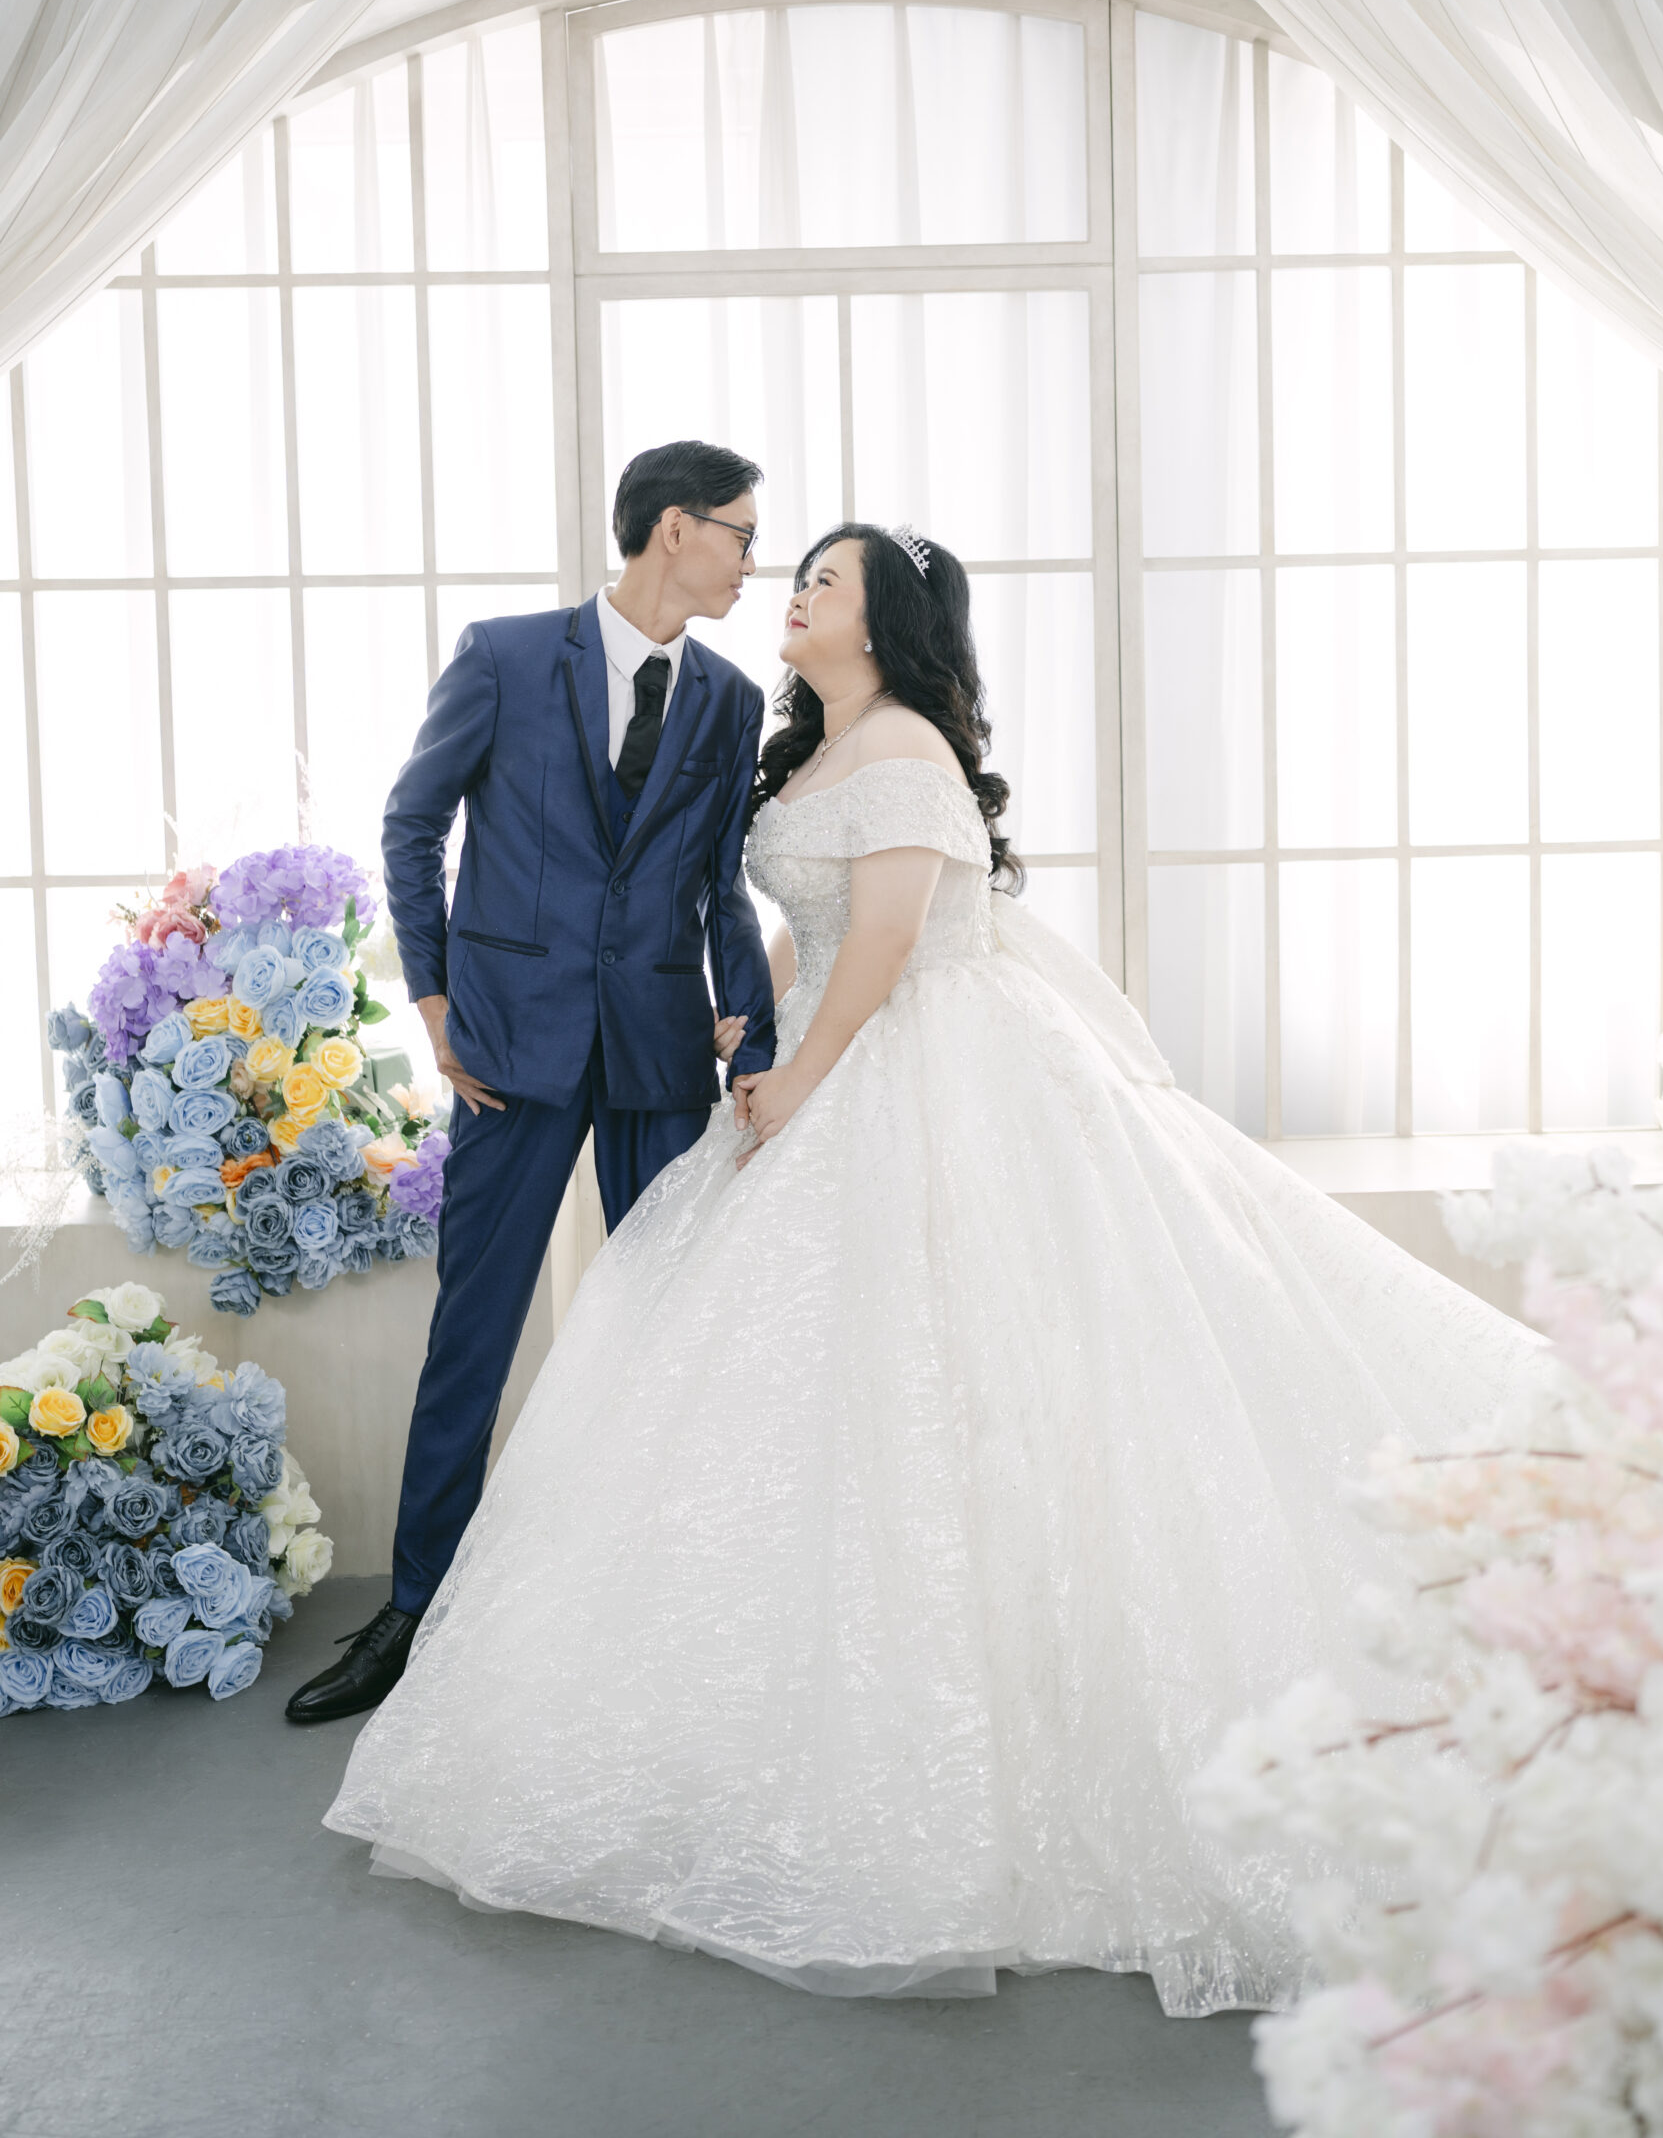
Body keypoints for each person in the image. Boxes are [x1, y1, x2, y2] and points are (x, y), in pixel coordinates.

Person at [324, 522, 1542, 2015]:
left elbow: (891, 938)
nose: (792, 594)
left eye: (821, 580)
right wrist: (748, 1020)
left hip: (930, 1070)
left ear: (880, 619)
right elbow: (816, 921)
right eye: (790, 574)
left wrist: (798, 1075)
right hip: (827, 1044)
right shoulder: (810, 746)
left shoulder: (902, 745)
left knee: (970, 1366)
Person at [285, 442, 777, 1725]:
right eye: (740, 533)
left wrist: (756, 1043)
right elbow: (412, 823)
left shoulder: (729, 699)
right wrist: (434, 1001)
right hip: (507, 1051)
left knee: (665, 1334)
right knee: (475, 1332)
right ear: (674, 529)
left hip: (657, 1052)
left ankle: (656, 1613)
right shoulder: (504, 657)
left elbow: (720, 884)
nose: (751, 559)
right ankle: (412, 1613)